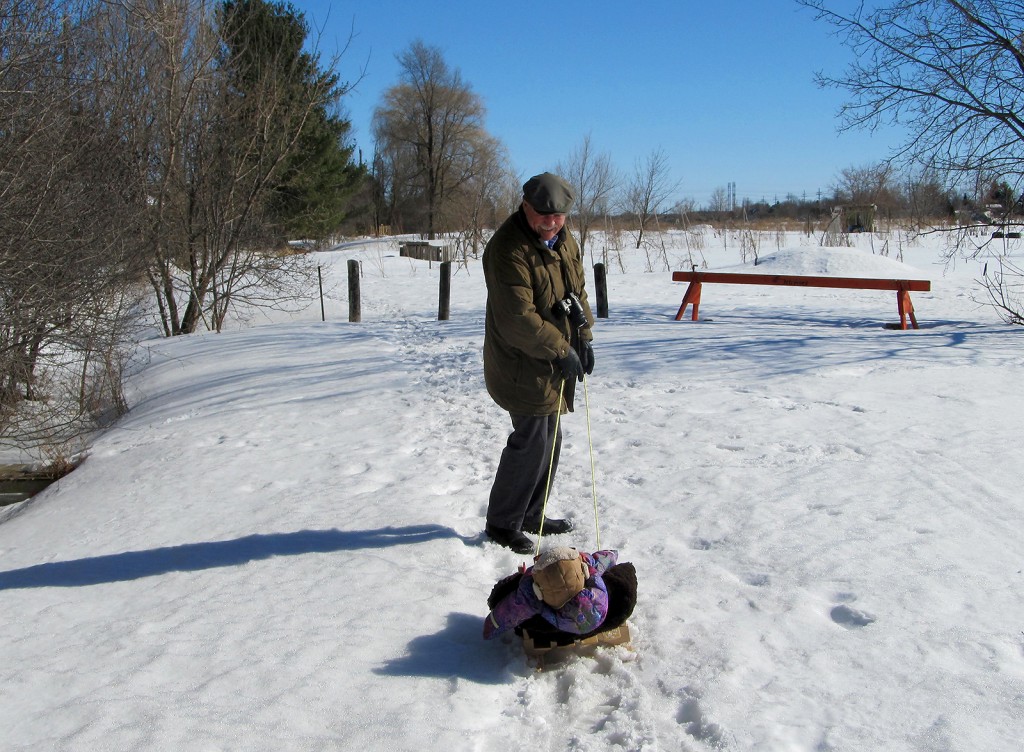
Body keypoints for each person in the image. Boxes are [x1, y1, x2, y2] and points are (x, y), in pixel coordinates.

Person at [482, 172, 596, 554]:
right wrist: (563, 351)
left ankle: (532, 513)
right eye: (543, 214)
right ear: (525, 206)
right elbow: (519, 318)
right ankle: (502, 522)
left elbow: (577, 291)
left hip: (553, 356)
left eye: (559, 215)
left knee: (552, 437)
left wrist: (586, 336)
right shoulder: (507, 249)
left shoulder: (565, 242)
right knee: (532, 440)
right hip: (520, 361)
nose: (551, 221)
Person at [483, 546, 634, 641]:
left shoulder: (531, 594)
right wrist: (612, 554)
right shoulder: (587, 568)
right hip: (600, 615)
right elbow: (600, 560)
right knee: (621, 581)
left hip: (561, 626)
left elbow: (509, 611)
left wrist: (490, 626)